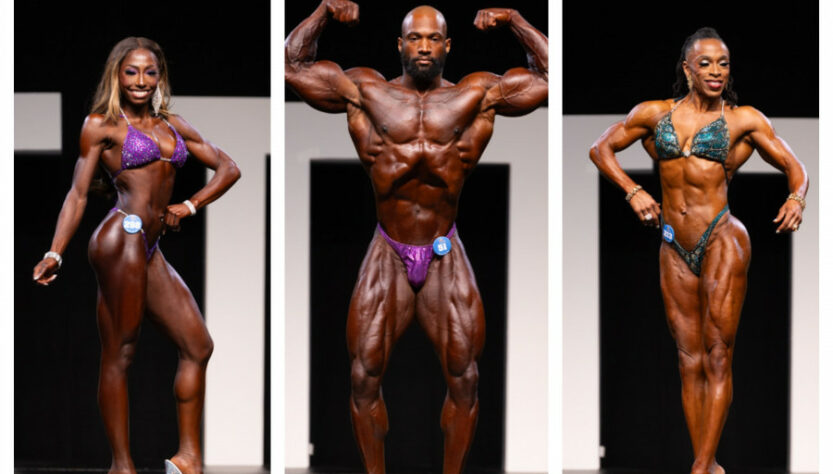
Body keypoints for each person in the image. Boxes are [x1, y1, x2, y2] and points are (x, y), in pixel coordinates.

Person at [286, 1, 547, 473]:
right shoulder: (366, 91)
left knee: (466, 378)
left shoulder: (477, 94)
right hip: (388, 248)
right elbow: (291, 66)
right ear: (400, 45)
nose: (423, 46)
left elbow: (551, 78)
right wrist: (323, 12)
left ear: (447, 46)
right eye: (414, 38)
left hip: (445, 249)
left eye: (433, 38)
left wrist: (515, 20)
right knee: (363, 376)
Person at [589, 27, 808, 474]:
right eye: (705, 63)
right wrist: (633, 190)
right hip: (674, 245)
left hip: (722, 237)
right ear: (687, 69)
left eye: (723, 64)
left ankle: (700, 466)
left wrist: (796, 198)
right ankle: (706, 464)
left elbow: (794, 166)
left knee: (717, 354)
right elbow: (600, 149)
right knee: (688, 359)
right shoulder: (654, 113)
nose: (715, 71)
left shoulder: (743, 120)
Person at [31, 37, 241, 474]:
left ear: (160, 76)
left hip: (150, 246)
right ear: (118, 76)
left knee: (198, 345)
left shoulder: (173, 124)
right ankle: (121, 466)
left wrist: (190, 205)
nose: (141, 80)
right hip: (120, 237)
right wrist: (55, 252)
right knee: (121, 352)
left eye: (150, 71)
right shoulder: (101, 125)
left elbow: (229, 168)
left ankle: (188, 458)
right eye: (131, 72)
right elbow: (77, 194)